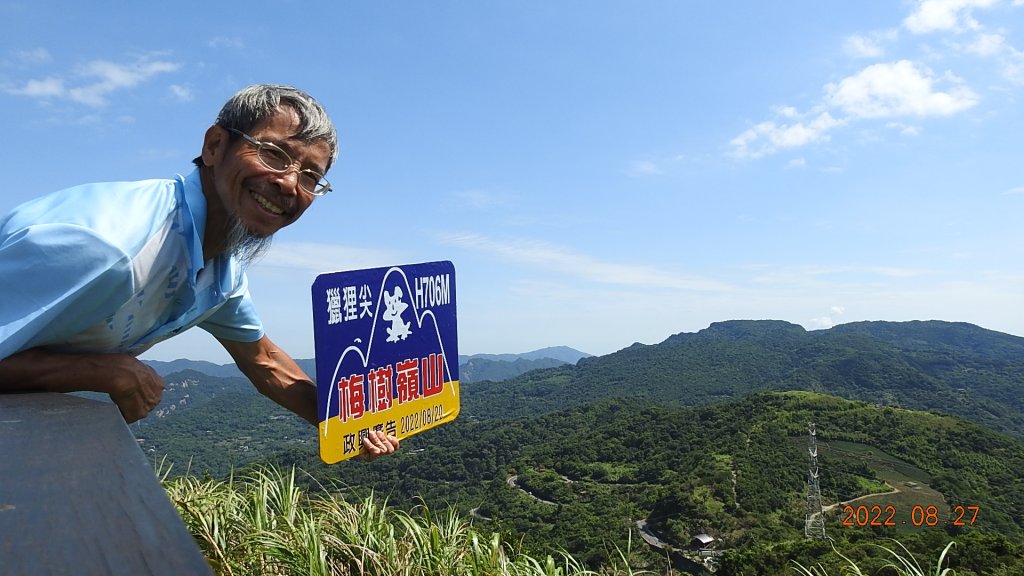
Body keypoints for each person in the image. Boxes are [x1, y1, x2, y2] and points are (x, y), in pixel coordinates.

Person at [0, 84, 399, 461]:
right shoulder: (111, 247)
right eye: (273, 153)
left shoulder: (220, 266)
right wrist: (105, 371)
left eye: (311, 177)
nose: (290, 183)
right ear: (214, 145)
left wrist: (352, 424)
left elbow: (264, 362)